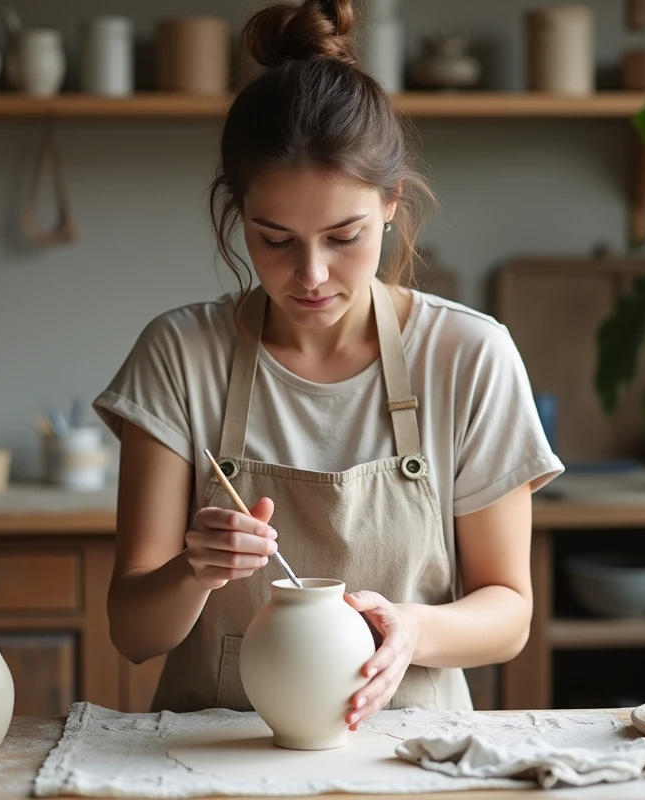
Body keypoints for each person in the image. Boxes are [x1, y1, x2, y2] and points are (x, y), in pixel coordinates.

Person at [93, 0, 562, 729]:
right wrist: (195, 570)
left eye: (343, 237)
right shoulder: (180, 357)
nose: (310, 274)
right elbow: (132, 634)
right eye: (274, 238)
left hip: (412, 749)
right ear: (237, 214)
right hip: (215, 756)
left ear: (390, 205)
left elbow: (509, 613)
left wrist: (416, 629)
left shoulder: (470, 356)